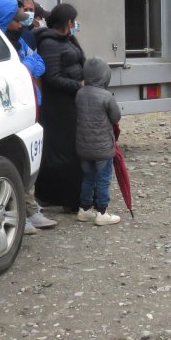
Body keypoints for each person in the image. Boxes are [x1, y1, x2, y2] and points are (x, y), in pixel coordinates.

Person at [0, 0, 56, 234]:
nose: (20, 25)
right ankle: (19, 213)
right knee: (12, 163)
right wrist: (25, 66)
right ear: (4, 21)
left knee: (27, 161)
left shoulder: (18, 41)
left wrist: (25, 65)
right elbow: (20, 67)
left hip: (27, 106)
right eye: (16, 20)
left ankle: (29, 208)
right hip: (8, 111)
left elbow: (39, 64)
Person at [34, 3, 87, 210]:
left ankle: (73, 194)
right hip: (59, 106)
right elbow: (52, 78)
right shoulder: (49, 43)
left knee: (74, 148)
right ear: (67, 22)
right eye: (73, 20)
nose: (75, 24)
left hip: (73, 101)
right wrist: (78, 84)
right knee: (62, 151)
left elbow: (80, 60)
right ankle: (61, 197)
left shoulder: (68, 39)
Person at [74, 57, 123, 225]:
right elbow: (116, 117)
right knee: (103, 178)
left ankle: (85, 210)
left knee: (88, 177)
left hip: (83, 146)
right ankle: (102, 212)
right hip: (102, 148)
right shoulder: (106, 96)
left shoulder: (80, 93)